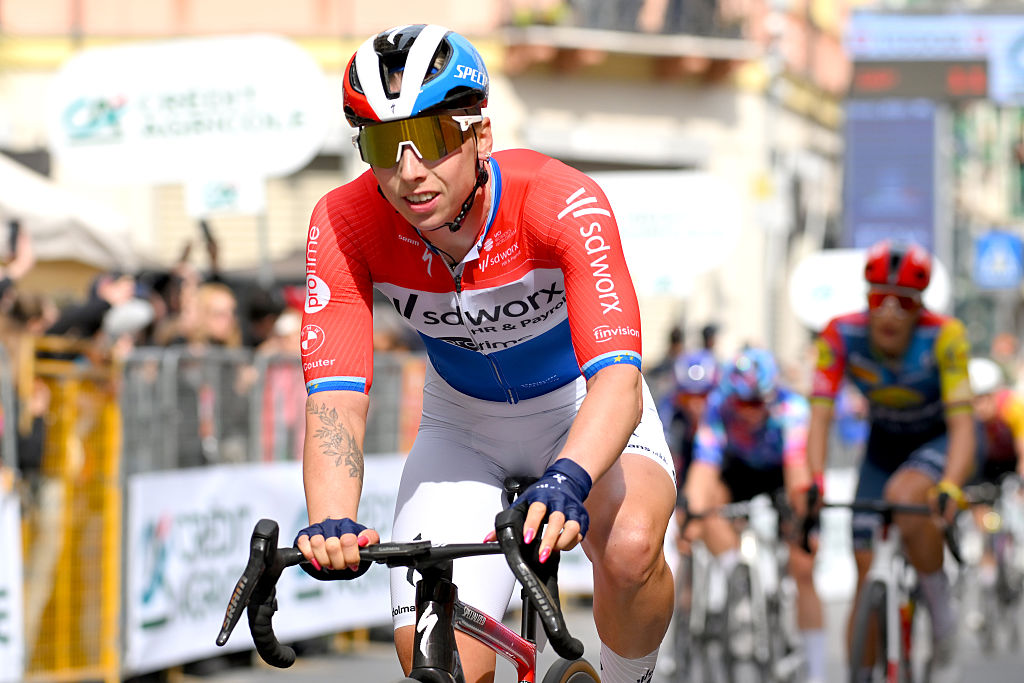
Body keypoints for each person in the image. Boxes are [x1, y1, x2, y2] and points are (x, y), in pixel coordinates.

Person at [293, 24, 676, 683]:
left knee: (631, 545)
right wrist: (331, 517)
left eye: (435, 138)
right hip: (464, 426)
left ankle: (629, 677)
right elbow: (335, 398)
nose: (409, 171)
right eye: (385, 144)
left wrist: (570, 478)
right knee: (432, 656)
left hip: (581, 407)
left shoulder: (560, 200)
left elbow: (618, 381)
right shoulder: (344, 221)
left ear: (481, 135)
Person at [805, 239, 974, 680]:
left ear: (921, 308)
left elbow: (961, 427)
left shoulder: (945, 336)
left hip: (936, 440)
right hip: (883, 446)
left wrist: (951, 486)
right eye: (881, 298)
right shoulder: (840, 334)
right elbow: (819, 418)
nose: (891, 313)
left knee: (906, 496)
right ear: (866, 299)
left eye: (904, 302)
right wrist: (816, 483)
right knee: (866, 574)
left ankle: (941, 618)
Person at [682, 347, 827, 683]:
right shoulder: (718, 405)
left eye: (757, 403)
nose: (749, 412)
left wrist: (802, 520)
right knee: (706, 505)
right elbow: (704, 468)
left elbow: (796, 474)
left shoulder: (791, 408)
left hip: (780, 472)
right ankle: (737, 577)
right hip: (738, 471)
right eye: (742, 404)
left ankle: (817, 671)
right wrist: (691, 512)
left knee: (804, 566)